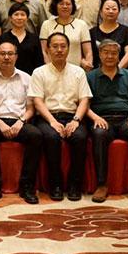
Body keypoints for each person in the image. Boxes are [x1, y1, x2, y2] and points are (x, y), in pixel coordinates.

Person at [86, 39, 128, 203]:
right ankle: (101, 184)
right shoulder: (90, 76)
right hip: (102, 119)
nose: (110, 56)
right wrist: (95, 118)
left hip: (125, 119)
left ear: (119, 55)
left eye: (114, 53)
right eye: (106, 52)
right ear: (100, 54)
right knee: (99, 135)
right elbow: (84, 105)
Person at [30, 33, 91, 201]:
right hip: (47, 117)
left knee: (80, 137)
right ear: (48, 49)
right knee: (51, 137)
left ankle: (74, 185)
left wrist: (76, 120)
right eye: (55, 46)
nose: (59, 50)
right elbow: (37, 101)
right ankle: (55, 185)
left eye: (63, 46)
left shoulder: (78, 72)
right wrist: (52, 121)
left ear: (68, 49)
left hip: (72, 116)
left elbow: (84, 99)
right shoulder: (39, 72)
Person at [0, 41, 42, 205]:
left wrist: (21, 122)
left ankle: (27, 186)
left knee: (36, 135)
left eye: (10, 54)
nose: (6, 57)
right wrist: (0, 124)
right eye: (2, 54)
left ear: (16, 56)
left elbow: (31, 108)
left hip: (19, 121)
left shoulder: (26, 78)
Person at [39, 0, 93, 70]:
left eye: (68, 4)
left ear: (73, 6)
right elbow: (44, 51)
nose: (65, 6)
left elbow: (88, 52)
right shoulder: (46, 24)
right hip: (52, 70)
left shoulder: (81, 24)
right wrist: (49, 68)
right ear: (55, 6)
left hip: (76, 70)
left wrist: (88, 64)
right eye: (61, 4)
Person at [90, 0, 128, 71]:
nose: (111, 11)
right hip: (97, 73)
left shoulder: (125, 31)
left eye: (114, 9)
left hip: (120, 72)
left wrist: (116, 70)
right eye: (107, 9)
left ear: (119, 12)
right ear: (101, 12)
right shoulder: (92, 32)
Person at [0, 3, 44, 75]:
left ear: (27, 18)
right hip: (8, 76)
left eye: (23, 15)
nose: (19, 18)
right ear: (10, 18)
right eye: (16, 14)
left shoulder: (34, 38)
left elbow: (39, 62)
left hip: (31, 77)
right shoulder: (3, 38)